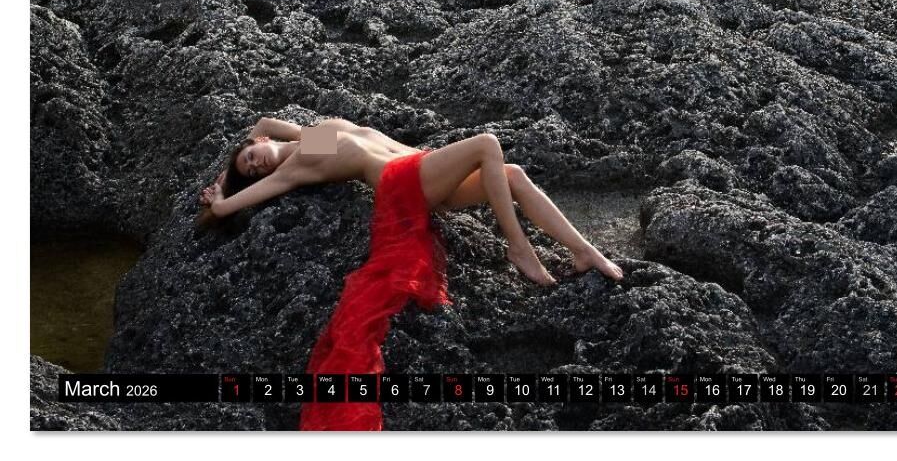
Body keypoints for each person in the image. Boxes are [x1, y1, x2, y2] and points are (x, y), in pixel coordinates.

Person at [198, 116, 623, 286]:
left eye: (250, 158)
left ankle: (584, 251)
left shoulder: (307, 138)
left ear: (261, 142)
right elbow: (233, 203)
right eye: (252, 172)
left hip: (421, 169)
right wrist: (223, 196)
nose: (255, 167)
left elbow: (265, 122)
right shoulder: (294, 167)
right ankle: (518, 247)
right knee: (487, 143)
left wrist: (226, 170)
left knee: (512, 175)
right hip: (404, 182)